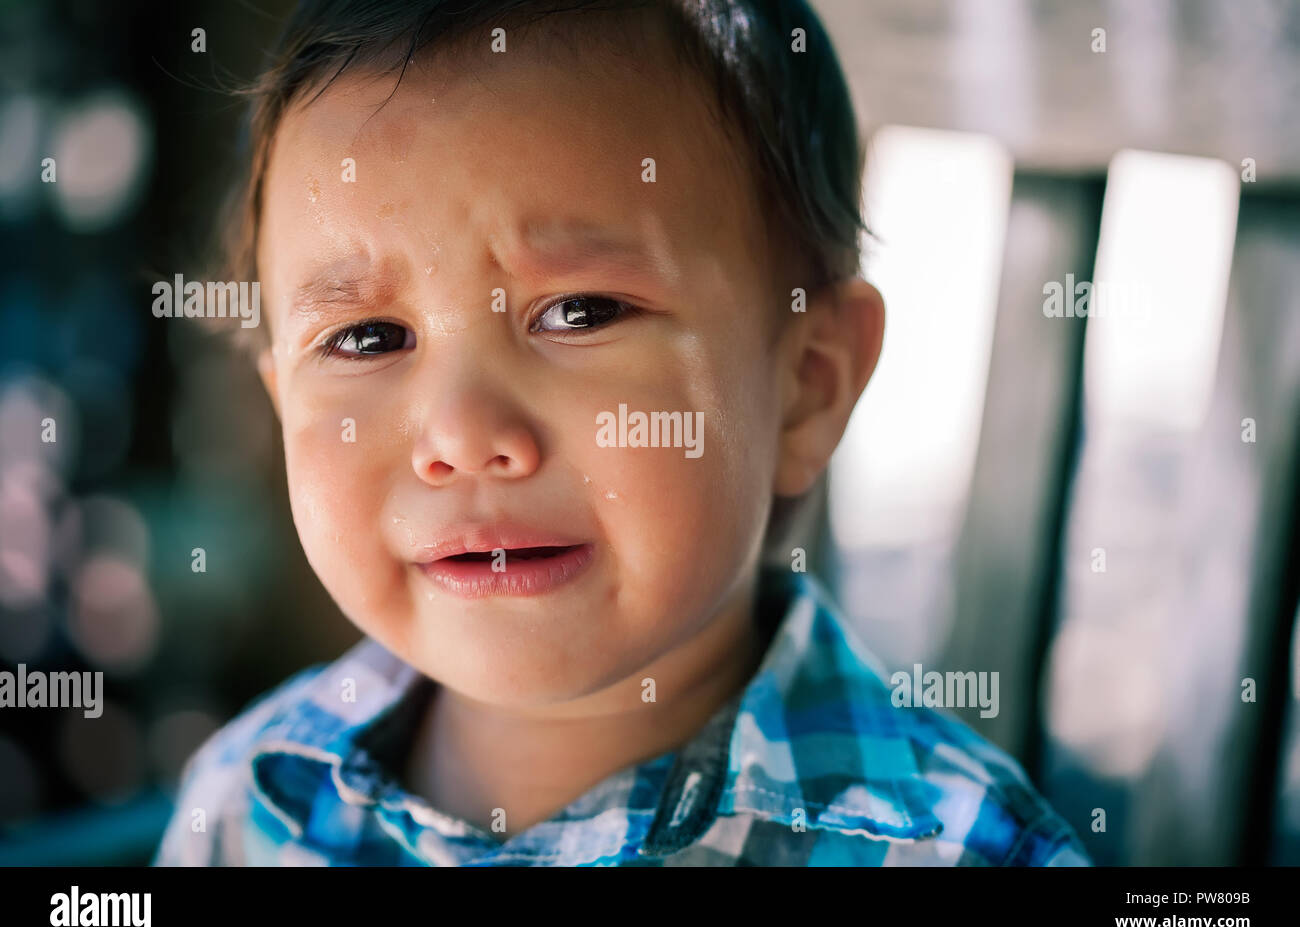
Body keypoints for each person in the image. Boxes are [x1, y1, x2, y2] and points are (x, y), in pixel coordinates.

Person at [154, 0, 1090, 866]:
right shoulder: (249, 809)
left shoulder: (950, 851)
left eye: (580, 312)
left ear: (808, 384)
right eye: (365, 338)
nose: (464, 434)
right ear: (283, 400)